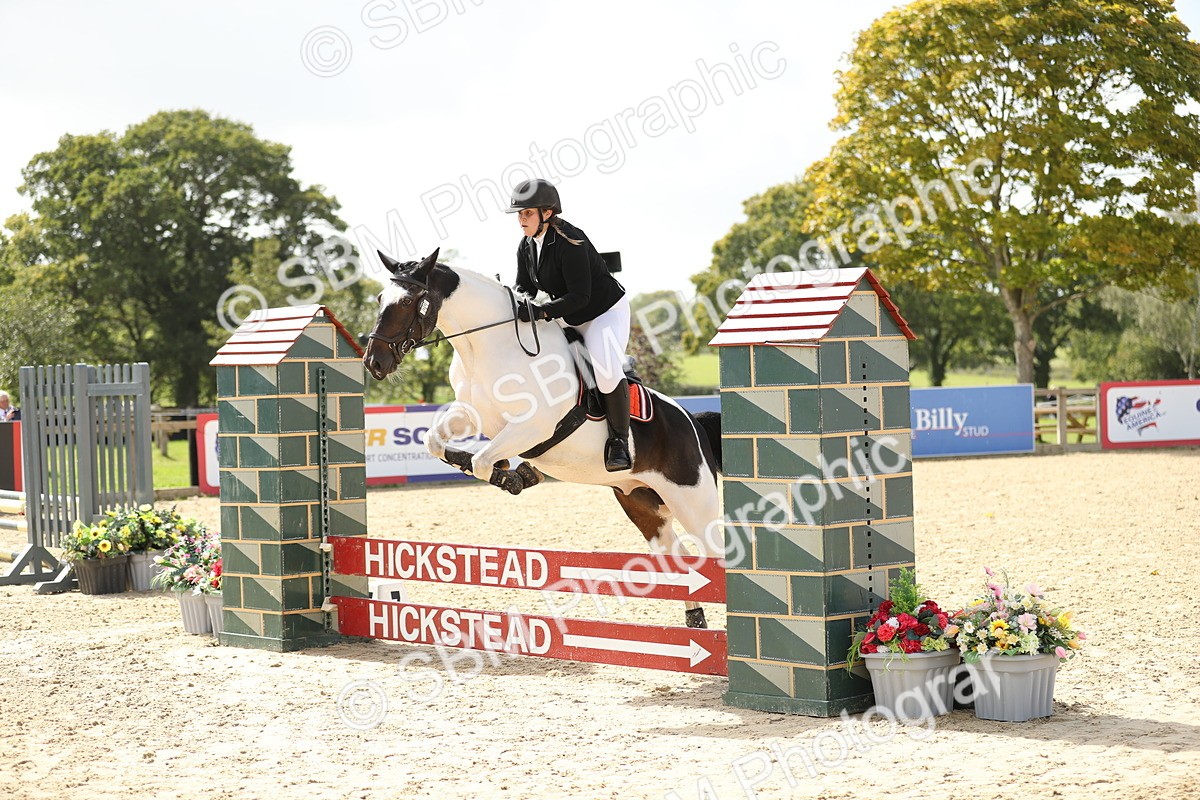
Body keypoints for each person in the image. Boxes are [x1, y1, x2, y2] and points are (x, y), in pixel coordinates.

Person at [506, 179, 632, 471]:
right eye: (519, 214)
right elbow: (523, 289)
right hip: (569, 314)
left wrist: (542, 312)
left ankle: (619, 443)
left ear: (547, 213)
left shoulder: (570, 240)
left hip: (603, 313)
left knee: (603, 367)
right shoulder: (526, 246)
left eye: (527, 213)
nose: (521, 219)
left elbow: (580, 296)